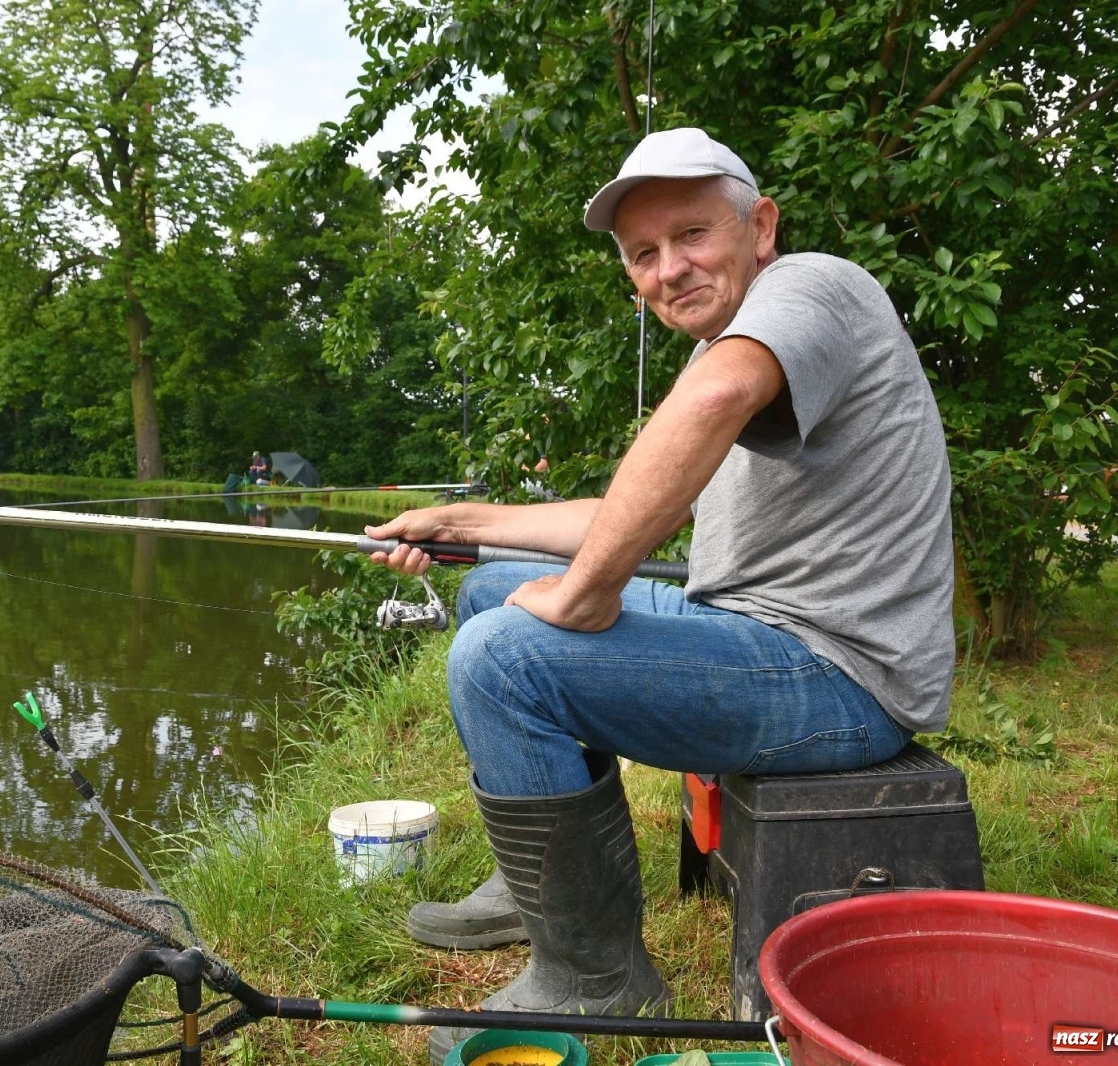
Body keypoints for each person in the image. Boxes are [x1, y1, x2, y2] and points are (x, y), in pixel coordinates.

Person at [365, 127, 954, 1064]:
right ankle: (542, 892)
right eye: (644, 254)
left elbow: (711, 405)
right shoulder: (730, 351)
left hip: (843, 676)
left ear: (759, 227)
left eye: (692, 235)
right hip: (758, 634)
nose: (669, 268)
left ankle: (597, 979)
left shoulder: (812, 289)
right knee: (491, 595)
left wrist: (592, 594)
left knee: (502, 657)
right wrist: (466, 519)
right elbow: (631, 508)